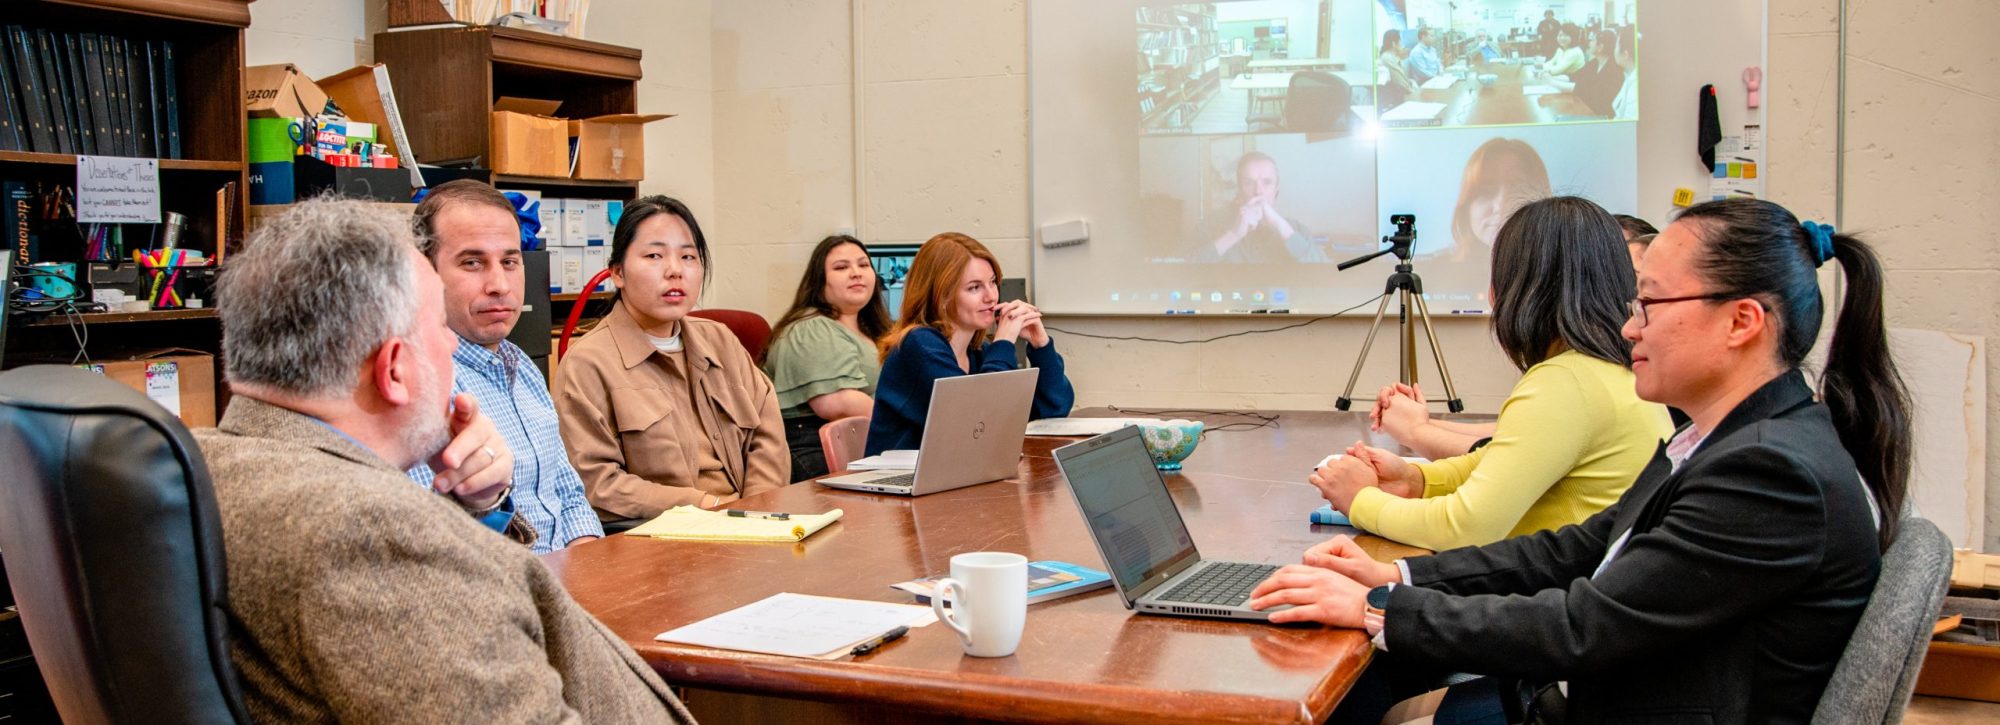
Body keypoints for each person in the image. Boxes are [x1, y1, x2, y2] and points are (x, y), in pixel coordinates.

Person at [1254, 197, 1906, 724]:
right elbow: (1573, 549)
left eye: (1650, 304)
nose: (1629, 328)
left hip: (1631, 700)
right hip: (1628, 687)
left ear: (1742, 322)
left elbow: (1582, 625)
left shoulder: (1769, 473)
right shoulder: (1724, 440)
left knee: (1352, 692)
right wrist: (1395, 573)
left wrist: (1378, 606)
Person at [192, 198, 694, 722]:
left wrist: (477, 510)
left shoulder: (203, 468)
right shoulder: (378, 535)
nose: (453, 345)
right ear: (393, 371)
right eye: (437, 325)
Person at [1313, 197, 1671, 552]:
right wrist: (1414, 478)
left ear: (1518, 289)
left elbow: (1464, 527)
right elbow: (1496, 460)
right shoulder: (1609, 369)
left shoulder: (1564, 381)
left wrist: (1359, 500)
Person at [552, 195, 788, 522]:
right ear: (618, 273)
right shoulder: (588, 363)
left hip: (752, 523)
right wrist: (703, 505)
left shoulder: (720, 339)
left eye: (688, 256)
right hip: (663, 540)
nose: (675, 270)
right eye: (654, 255)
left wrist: (756, 508)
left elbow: (767, 434)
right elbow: (597, 483)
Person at [402, 180, 603, 553]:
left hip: (575, 579)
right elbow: (437, 542)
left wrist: (590, 564)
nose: (499, 285)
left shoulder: (520, 363)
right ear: (424, 273)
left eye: (510, 262)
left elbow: (566, 491)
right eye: (473, 262)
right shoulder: (419, 382)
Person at [866, 232, 1074, 455]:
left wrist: (1041, 345)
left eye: (992, 282)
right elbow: (978, 420)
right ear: (941, 296)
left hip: (949, 476)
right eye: (974, 287)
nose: (991, 297)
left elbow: (1055, 407)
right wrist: (1003, 342)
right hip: (896, 479)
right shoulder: (918, 344)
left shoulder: (979, 352)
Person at [762, 234, 892, 480]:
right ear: (819, 282)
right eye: (842, 267)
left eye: (864, 265)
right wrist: (900, 425)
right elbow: (835, 404)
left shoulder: (873, 330)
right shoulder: (810, 327)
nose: (856, 273)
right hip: (814, 444)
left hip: (860, 441)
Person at [1191, 151, 1324, 263]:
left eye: (1266, 182)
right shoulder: (1211, 225)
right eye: (1249, 183)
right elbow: (1182, 269)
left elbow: (1326, 274)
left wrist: (1281, 226)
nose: (1258, 191)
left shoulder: (1297, 230)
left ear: (1276, 189)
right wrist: (1233, 235)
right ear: (1240, 190)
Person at [1443, 137, 1551, 265]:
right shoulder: (1434, 269)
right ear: (1466, 205)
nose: (1501, 206)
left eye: (1517, 191)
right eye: (1486, 191)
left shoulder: (1564, 267)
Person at [1565, 30, 1626, 116]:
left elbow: (1583, 90)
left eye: (1592, 40)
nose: (1589, 43)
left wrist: (1551, 82)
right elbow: (1575, 76)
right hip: (1588, 111)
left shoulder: (1614, 70)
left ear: (1600, 47)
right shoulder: (1594, 63)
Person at [1377, 29, 1416, 110]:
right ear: (1394, 44)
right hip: (1397, 100)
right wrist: (1413, 92)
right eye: (1400, 41)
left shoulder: (1394, 57)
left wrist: (1411, 83)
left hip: (1401, 96)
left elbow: (1403, 78)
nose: (1402, 45)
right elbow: (1400, 82)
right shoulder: (1387, 58)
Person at [1610, 25, 1639, 120]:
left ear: (1626, 54)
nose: (1614, 50)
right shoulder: (1629, 75)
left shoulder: (1636, 89)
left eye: (1616, 46)